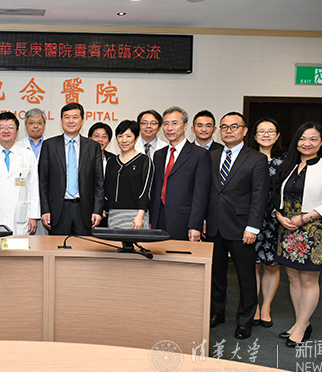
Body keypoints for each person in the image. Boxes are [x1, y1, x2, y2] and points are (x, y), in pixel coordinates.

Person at [272, 122, 322, 347]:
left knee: (309, 280)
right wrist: (279, 216)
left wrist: (305, 218)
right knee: (293, 278)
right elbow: (276, 195)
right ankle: (301, 321)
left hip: (313, 229)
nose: (307, 143)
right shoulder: (288, 165)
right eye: (303, 138)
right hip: (288, 228)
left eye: (313, 139)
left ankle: (302, 326)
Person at [206, 112, 269, 340]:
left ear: (244, 130)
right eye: (224, 127)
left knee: (245, 277)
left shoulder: (256, 159)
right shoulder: (211, 156)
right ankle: (217, 311)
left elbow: (259, 195)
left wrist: (253, 227)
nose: (228, 131)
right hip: (214, 226)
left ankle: (245, 320)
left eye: (234, 126)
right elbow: (207, 192)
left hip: (242, 228)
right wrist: (204, 220)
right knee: (216, 274)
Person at [39, 103, 104, 236]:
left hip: (84, 210)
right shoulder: (49, 145)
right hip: (58, 209)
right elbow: (42, 181)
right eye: (67, 117)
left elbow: (99, 182)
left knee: (83, 247)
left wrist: (97, 210)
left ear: (82, 121)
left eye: (75, 117)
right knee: (57, 247)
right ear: (61, 120)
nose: (71, 121)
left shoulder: (93, 147)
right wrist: (45, 210)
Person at [150, 107, 210, 241]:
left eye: (175, 123)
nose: (169, 128)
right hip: (159, 220)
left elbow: (200, 194)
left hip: (184, 221)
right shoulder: (159, 155)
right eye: (166, 124)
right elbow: (156, 189)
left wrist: (195, 225)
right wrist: (152, 220)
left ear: (185, 126)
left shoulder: (199, 155)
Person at [248, 117, 286, 328]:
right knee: (252, 264)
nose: (265, 134)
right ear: (254, 136)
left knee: (271, 265)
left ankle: (266, 307)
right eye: (261, 131)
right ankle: (253, 306)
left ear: (277, 135)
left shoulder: (287, 161)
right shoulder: (248, 157)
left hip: (276, 219)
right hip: (251, 218)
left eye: (270, 131)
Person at [0, 112, 40, 235]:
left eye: (10, 127)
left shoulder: (28, 155)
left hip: (20, 217)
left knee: (19, 246)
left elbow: (33, 188)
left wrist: (33, 216)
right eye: (1, 127)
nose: (6, 131)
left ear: (17, 131)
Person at [104, 120, 154, 229]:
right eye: (120, 136)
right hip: (114, 215)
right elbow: (106, 189)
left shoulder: (144, 161)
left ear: (136, 138)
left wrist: (140, 215)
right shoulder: (111, 161)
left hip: (136, 215)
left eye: (128, 136)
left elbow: (146, 191)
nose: (124, 140)